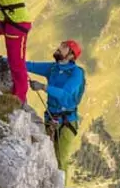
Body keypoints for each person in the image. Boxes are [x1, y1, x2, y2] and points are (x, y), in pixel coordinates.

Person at [27, 40, 86, 178]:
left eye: (64, 48)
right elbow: (30, 65)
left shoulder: (76, 73)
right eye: (60, 45)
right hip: (51, 118)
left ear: (71, 55)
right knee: (47, 157)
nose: (59, 48)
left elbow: (65, 93)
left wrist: (43, 87)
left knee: (60, 160)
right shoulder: (53, 68)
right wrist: (4, 60)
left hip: (67, 122)